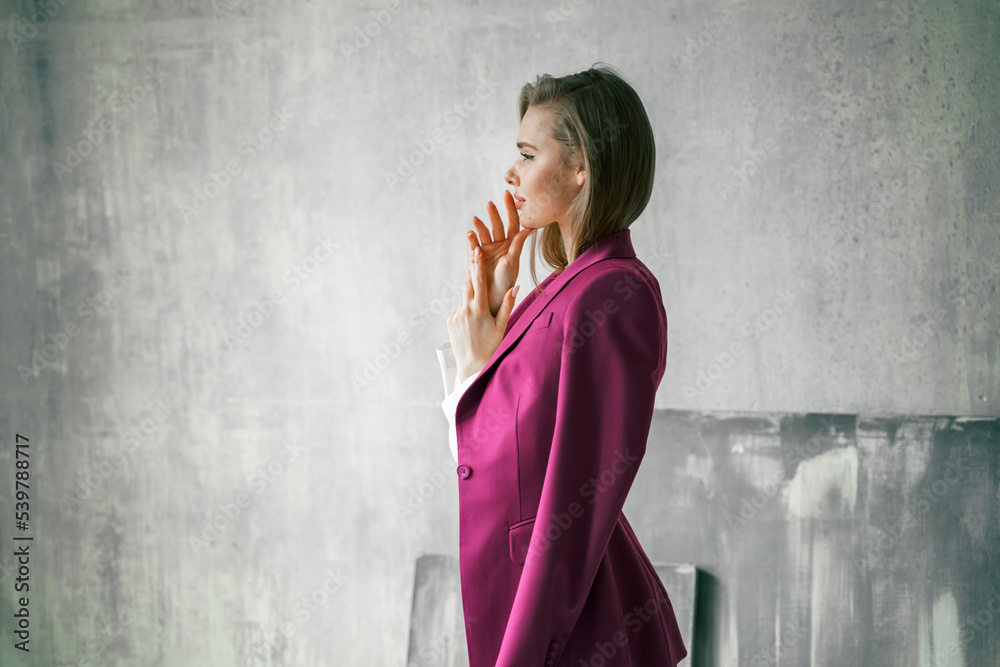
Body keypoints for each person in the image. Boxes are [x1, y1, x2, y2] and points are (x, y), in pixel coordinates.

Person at [434, 63, 687, 667]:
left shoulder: (613, 295)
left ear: (582, 168)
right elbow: (491, 460)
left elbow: (580, 498)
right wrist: (483, 340)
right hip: (535, 613)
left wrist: (523, 658)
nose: (510, 173)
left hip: (571, 629)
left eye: (526, 153)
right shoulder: (563, 292)